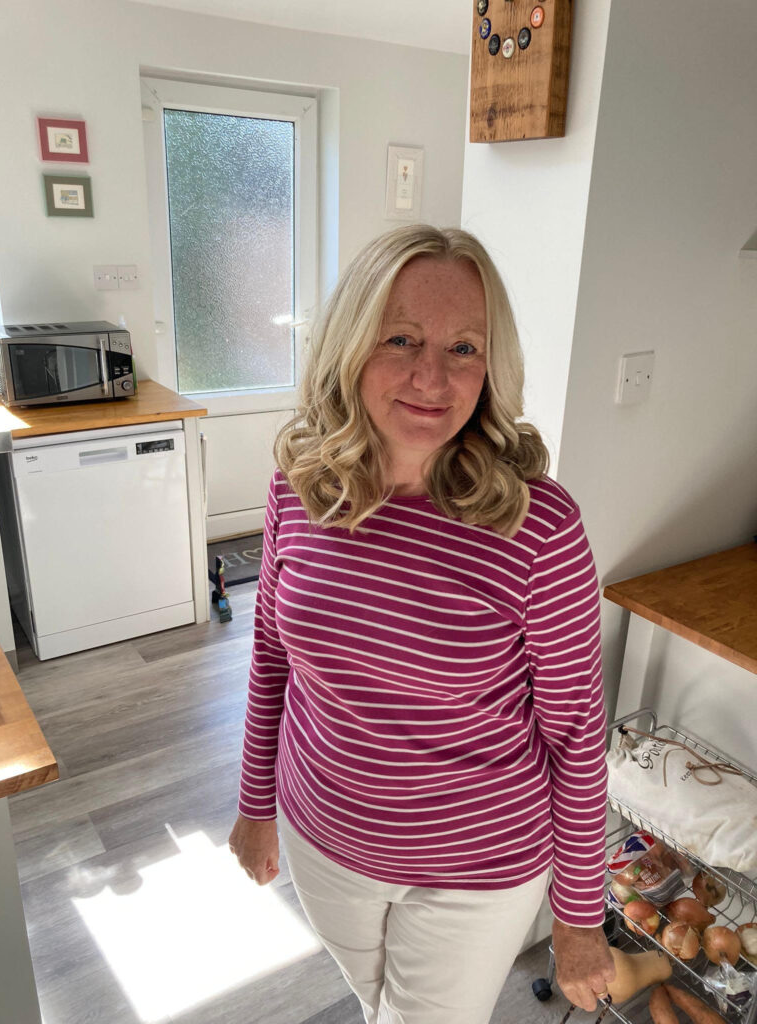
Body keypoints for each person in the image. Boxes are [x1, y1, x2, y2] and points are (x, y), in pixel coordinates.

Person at [229, 224, 615, 1024]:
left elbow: (576, 734)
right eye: (400, 338)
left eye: (464, 348)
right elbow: (272, 658)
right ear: (350, 345)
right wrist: (254, 803)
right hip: (322, 838)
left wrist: (578, 916)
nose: (431, 377)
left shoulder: (537, 526)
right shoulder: (298, 488)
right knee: (379, 1008)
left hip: (474, 872)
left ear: (491, 366)